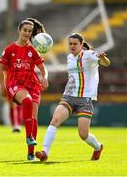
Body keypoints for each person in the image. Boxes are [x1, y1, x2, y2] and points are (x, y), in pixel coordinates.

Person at [35, 33, 110, 162]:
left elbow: (106, 63)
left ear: (81, 45)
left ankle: (98, 147)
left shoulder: (88, 55)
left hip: (84, 100)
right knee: (55, 120)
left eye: (75, 44)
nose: (72, 46)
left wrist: (103, 58)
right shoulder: (69, 57)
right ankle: (44, 153)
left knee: (83, 135)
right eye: (70, 44)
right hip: (68, 96)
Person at [0, 19, 49, 161]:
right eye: (24, 30)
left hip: (32, 84)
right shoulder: (10, 49)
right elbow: (0, 69)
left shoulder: (33, 49)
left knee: (34, 119)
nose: (27, 33)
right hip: (15, 83)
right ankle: (29, 136)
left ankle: (30, 153)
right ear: (19, 30)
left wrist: (45, 77)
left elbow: (43, 69)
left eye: (29, 31)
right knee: (26, 101)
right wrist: (2, 86)